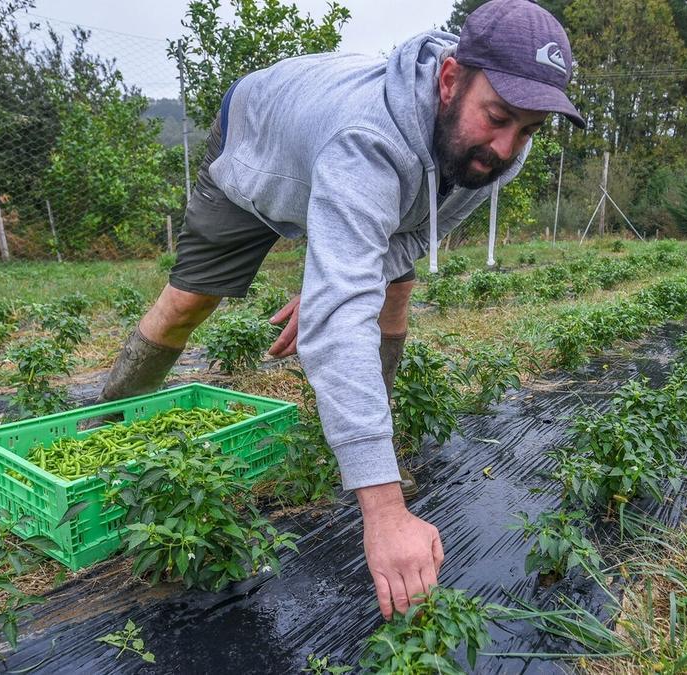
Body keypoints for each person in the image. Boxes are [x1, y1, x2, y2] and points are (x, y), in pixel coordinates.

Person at [97, 0, 584, 619]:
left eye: (528, 129)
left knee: (391, 287)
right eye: (498, 118)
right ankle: (103, 426)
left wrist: (343, 276)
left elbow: (413, 239)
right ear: (450, 80)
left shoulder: (495, 145)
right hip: (259, 139)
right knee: (190, 304)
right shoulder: (366, 137)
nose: (508, 146)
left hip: (337, 153)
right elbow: (336, 322)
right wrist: (384, 513)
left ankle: (362, 441)